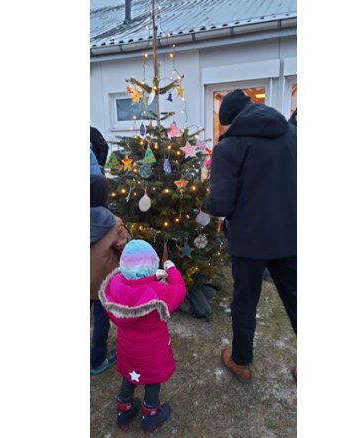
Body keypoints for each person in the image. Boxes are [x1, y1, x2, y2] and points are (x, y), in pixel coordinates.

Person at [205, 89, 297, 383]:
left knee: (245, 302)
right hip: (292, 234)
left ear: (229, 120)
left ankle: (241, 362)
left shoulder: (228, 148)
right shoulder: (293, 134)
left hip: (248, 242)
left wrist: (202, 200)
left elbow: (220, 204)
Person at [98, 240, 186, 433]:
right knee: (153, 380)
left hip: (129, 350)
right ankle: (150, 415)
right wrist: (171, 270)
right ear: (152, 264)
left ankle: (124, 411)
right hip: (153, 353)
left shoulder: (116, 283)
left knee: (130, 376)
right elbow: (179, 291)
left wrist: (152, 276)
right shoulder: (159, 291)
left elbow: (136, 285)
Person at [90, 175, 126, 374]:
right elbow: (124, 245)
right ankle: (98, 360)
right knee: (101, 318)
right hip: (102, 281)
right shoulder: (112, 222)